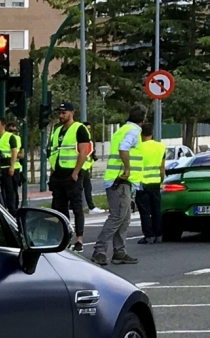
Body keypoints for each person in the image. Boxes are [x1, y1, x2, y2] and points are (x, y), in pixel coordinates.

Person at [92, 105, 145, 266]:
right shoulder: (134, 131)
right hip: (121, 180)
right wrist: (127, 168)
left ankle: (119, 252)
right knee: (117, 217)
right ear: (143, 118)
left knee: (125, 218)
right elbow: (124, 148)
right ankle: (99, 250)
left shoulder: (121, 130)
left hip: (121, 181)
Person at [47, 102, 93, 254]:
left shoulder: (79, 128)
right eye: (59, 113)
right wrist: (52, 171)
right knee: (59, 209)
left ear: (72, 113)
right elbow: (54, 151)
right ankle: (63, 238)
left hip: (71, 175)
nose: (60, 116)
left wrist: (75, 172)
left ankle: (79, 240)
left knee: (77, 207)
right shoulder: (57, 130)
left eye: (63, 113)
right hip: (58, 174)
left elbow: (83, 151)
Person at [134, 121, 165, 244]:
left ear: (141, 134)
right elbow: (162, 167)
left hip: (142, 183)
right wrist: (161, 179)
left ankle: (148, 235)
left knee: (145, 212)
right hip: (155, 182)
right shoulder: (160, 146)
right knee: (156, 210)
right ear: (152, 133)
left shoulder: (138, 148)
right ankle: (159, 234)